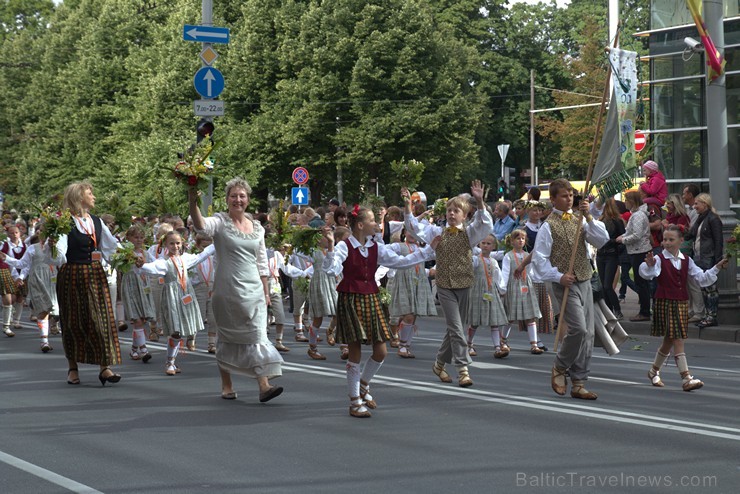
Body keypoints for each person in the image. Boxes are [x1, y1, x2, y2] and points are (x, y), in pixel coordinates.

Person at [321, 203, 434, 418]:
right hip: (351, 299)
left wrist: (429, 250)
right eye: (373, 220)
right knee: (355, 351)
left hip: (371, 297)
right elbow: (331, 270)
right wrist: (330, 248)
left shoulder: (375, 247)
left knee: (381, 350)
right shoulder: (345, 246)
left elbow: (400, 262)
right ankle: (354, 401)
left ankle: (363, 384)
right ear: (361, 225)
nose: (377, 224)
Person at [189, 177, 284, 403]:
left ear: (248, 200)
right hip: (228, 289)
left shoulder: (257, 227)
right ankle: (227, 384)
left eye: (242, 196)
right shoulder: (221, 222)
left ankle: (263, 385)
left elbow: (262, 260)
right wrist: (193, 202)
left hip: (254, 290)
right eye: (233, 196)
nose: (238, 200)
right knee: (228, 337)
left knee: (257, 335)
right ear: (227, 199)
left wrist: (266, 289)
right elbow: (201, 226)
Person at [404, 181, 493, 388]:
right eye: (450, 211)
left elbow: (485, 224)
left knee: (457, 328)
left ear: (465, 215)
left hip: (464, 283)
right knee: (455, 327)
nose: (452, 214)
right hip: (444, 285)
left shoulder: (470, 234)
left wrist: (479, 201)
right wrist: (408, 206)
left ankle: (439, 363)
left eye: (457, 211)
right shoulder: (437, 232)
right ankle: (463, 369)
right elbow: (413, 226)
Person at [531, 178, 609, 400]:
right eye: (564, 196)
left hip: (584, 279)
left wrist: (590, 217)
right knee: (579, 329)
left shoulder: (580, 220)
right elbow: (539, 260)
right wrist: (558, 276)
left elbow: (601, 240)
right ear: (553, 199)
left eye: (571, 195)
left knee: (589, 334)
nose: (569, 199)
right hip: (565, 283)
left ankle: (579, 382)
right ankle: (560, 365)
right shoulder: (548, 226)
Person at [55, 181, 129, 386]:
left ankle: (104, 367)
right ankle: (72, 368)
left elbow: (110, 248)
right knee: (72, 321)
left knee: (101, 320)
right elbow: (60, 250)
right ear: (79, 197)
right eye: (90, 193)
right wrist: (56, 254)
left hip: (95, 274)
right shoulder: (64, 222)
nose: (94, 196)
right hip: (72, 275)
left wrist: (129, 258)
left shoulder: (96, 221)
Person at [640, 225, 728, 391]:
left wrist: (717, 267)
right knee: (678, 338)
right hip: (665, 301)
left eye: (671, 239)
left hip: (680, 302)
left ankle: (653, 371)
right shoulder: (659, 259)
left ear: (681, 241)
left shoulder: (686, 260)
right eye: (665, 239)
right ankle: (686, 377)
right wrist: (650, 265)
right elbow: (648, 273)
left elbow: (701, 278)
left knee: (669, 339)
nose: (667, 243)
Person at [138, 231, 214, 375]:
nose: (175, 246)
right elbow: (152, 268)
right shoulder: (164, 262)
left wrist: (218, 242)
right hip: (172, 297)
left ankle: (172, 361)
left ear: (182, 244)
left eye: (178, 243)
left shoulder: (185, 259)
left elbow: (202, 255)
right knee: (175, 331)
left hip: (185, 295)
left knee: (182, 330)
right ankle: (170, 363)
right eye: (172, 243)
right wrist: (142, 266)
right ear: (166, 244)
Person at [387, 230, 437, 358]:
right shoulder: (399, 246)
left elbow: (438, 255)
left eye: (415, 233)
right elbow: (385, 251)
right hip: (404, 280)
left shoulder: (422, 249)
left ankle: (406, 346)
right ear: (405, 233)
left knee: (413, 315)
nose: (412, 235)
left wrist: (432, 270)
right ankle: (402, 346)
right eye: (410, 232)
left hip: (418, 281)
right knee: (408, 315)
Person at [499, 229, 542, 354]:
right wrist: (503, 288)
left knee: (531, 316)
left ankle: (534, 344)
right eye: (518, 238)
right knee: (511, 317)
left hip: (526, 286)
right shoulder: (508, 256)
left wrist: (535, 281)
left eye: (523, 239)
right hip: (514, 286)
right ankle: (503, 340)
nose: (521, 241)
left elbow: (531, 271)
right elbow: (505, 273)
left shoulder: (527, 255)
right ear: (512, 241)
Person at [467, 234, 508, 358]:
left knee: (494, 321)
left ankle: (497, 347)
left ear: (493, 246)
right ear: (479, 244)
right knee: (475, 321)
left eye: (488, 244)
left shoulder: (494, 261)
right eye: (483, 243)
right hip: (477, 292)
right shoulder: (475, 259)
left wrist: (502, 290)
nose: (485, 245)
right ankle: (468, 344)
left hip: (491, 292)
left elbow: (498, 277)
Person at [685, 193, 724, 329]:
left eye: (697, 204)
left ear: (705, 204)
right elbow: (691, 234)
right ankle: (707, 315)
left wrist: (718, 259)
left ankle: (711, 316)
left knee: (710, 288)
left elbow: (719, 240)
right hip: (700, 256)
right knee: (703, 287)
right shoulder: (701, 218)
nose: (694, 206)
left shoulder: (713, 219)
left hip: (709, 257)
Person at [120, 225, 156, 362]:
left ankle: (134, 349)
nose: (139, 240)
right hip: (131, 285)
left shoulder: (146, 253)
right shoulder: (124, 252)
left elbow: (156, 264)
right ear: (128, 238)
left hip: (144, 286)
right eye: (136, 237)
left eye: (141, 237)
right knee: (137, 319)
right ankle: (144, 349)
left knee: (142, 318)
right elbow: (119, 264)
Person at [616, 191, 652, 322]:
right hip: (637, 250)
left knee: (641, 282)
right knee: (642, 282)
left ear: (632, 201)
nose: (624, 202)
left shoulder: (637, 216)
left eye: (626, 200)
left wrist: (623, 240)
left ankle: (644, 311)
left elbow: (636, 235)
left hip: (638, 251)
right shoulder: (637, 215)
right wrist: (624, 236)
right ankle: (645, 310)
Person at [596, 199, 626, 319]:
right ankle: (609, 311)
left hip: (611, 254)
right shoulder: (600, 220)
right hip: (601, 254)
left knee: (608, 285)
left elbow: (623, 238)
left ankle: (617, 310)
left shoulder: (617, 221)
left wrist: (612, 242)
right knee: (604, 285)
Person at [2, 225, 27, 331]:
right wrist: (15, 276)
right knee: (11, 298)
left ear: (20, 233)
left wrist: (21, 277)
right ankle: (10, 317)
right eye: (12, 233)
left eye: (16, 232)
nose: (15, 235)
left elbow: (27, 263)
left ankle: (17, 320)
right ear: (8, 234)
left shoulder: (25, 246)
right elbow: (4, 261)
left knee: (21, 297)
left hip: (23, 273)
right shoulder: (5, 246)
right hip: (10, 273)